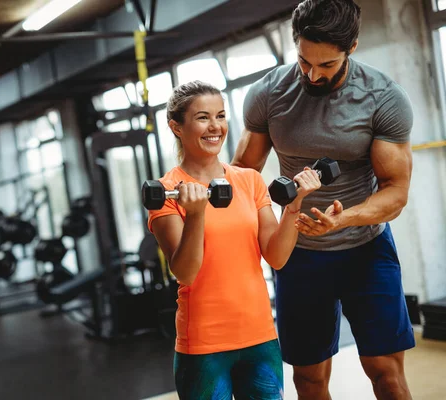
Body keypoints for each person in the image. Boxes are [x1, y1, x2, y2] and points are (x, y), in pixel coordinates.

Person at [231, 1, 415, 399]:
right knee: (309, 378)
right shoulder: (268, 94)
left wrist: (343, 219)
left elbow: (396, 193)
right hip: (299, 254)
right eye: (303, 61)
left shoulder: (382, 98)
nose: (312, 74)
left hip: (365, 249)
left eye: (326, 65)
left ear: (352, 46)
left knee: (386, 373)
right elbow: (244, 173)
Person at [148, 80, 321, 400]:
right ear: (176, 127)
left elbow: (277, 256)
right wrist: (196, 214)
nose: (215, 127)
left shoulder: (248, 180)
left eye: (221, 115)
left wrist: (294, 205)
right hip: (203, 346)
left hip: (260, 338)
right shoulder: (167, 192)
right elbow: (185, 272)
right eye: (202, 117)